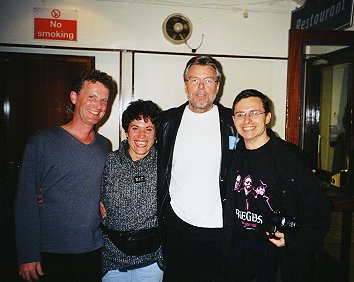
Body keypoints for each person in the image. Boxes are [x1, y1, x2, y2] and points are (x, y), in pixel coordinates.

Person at [15, 69, 115, 282]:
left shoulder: (104, 145)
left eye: (104, 100)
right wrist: (27, 254)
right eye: (91, 97)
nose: (98, 105)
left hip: (92, 249)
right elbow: (25, 200)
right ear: (74, 97)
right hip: (51, 252)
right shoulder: (42, 142)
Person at [226, 89, 331, 282]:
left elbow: (319, 209)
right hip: (239, 252)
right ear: (234, 120)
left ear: (267, 117)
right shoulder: (231, 157)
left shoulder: (289, 158)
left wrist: (293, 241)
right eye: (240, 114)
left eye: (254, 113)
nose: (247, 120)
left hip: (274, 255)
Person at [157, 55, 237, 281]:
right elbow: (136, 150)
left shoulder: (233, 122)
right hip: (177, 227)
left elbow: (264, 145)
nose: (201, 87)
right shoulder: (167, 121)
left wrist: (296, 165)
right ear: (185, 84)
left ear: (218, 86)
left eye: (208, 80)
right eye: (194, 80)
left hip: (220, 229)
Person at [100, 99, 164, 282]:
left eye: (149, 129)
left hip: (152, 262)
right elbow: (83, 188)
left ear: (156, 134)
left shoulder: (164, 164)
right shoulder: (108, 162)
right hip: (113, 262)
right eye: (135, 128)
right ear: (126, 132)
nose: (142, 135)